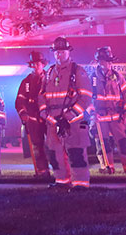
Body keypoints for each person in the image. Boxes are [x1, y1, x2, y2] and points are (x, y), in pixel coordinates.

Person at [38, 36, 93, 189]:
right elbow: (41, 96)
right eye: (56, 52)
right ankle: (61, 182)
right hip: (53, 122)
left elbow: (86, 97)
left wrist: (68, 116)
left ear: (69, 52)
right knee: (55, 154)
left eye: (62, 51)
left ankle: (80, 184)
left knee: (76, 153)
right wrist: (44, 113)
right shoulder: (49, 72)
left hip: (73, 122)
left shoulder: (77, 71)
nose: (59, 54)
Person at [91, 46, 126, 173]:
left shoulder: (117, 77)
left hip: (116, 117)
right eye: (105, 61)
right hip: (100, 117)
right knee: (102, 144)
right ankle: (107, 167)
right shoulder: (92, 78)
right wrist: (92, 114)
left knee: (124, 142)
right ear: (99, 61)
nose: (108, 64)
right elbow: (87, 97)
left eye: (110, 61)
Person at [15, 50, 52, 182]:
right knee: (37, 146)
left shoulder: (51, 79)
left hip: (48, 118)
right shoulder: (26, 82)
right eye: (33, 64)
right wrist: (23, 114)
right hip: (33, 120)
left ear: (43, 64)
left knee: (54, 145)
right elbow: (20, 101)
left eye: (38, 63)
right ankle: (43, 172)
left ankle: (60, 171)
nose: (35, 66)